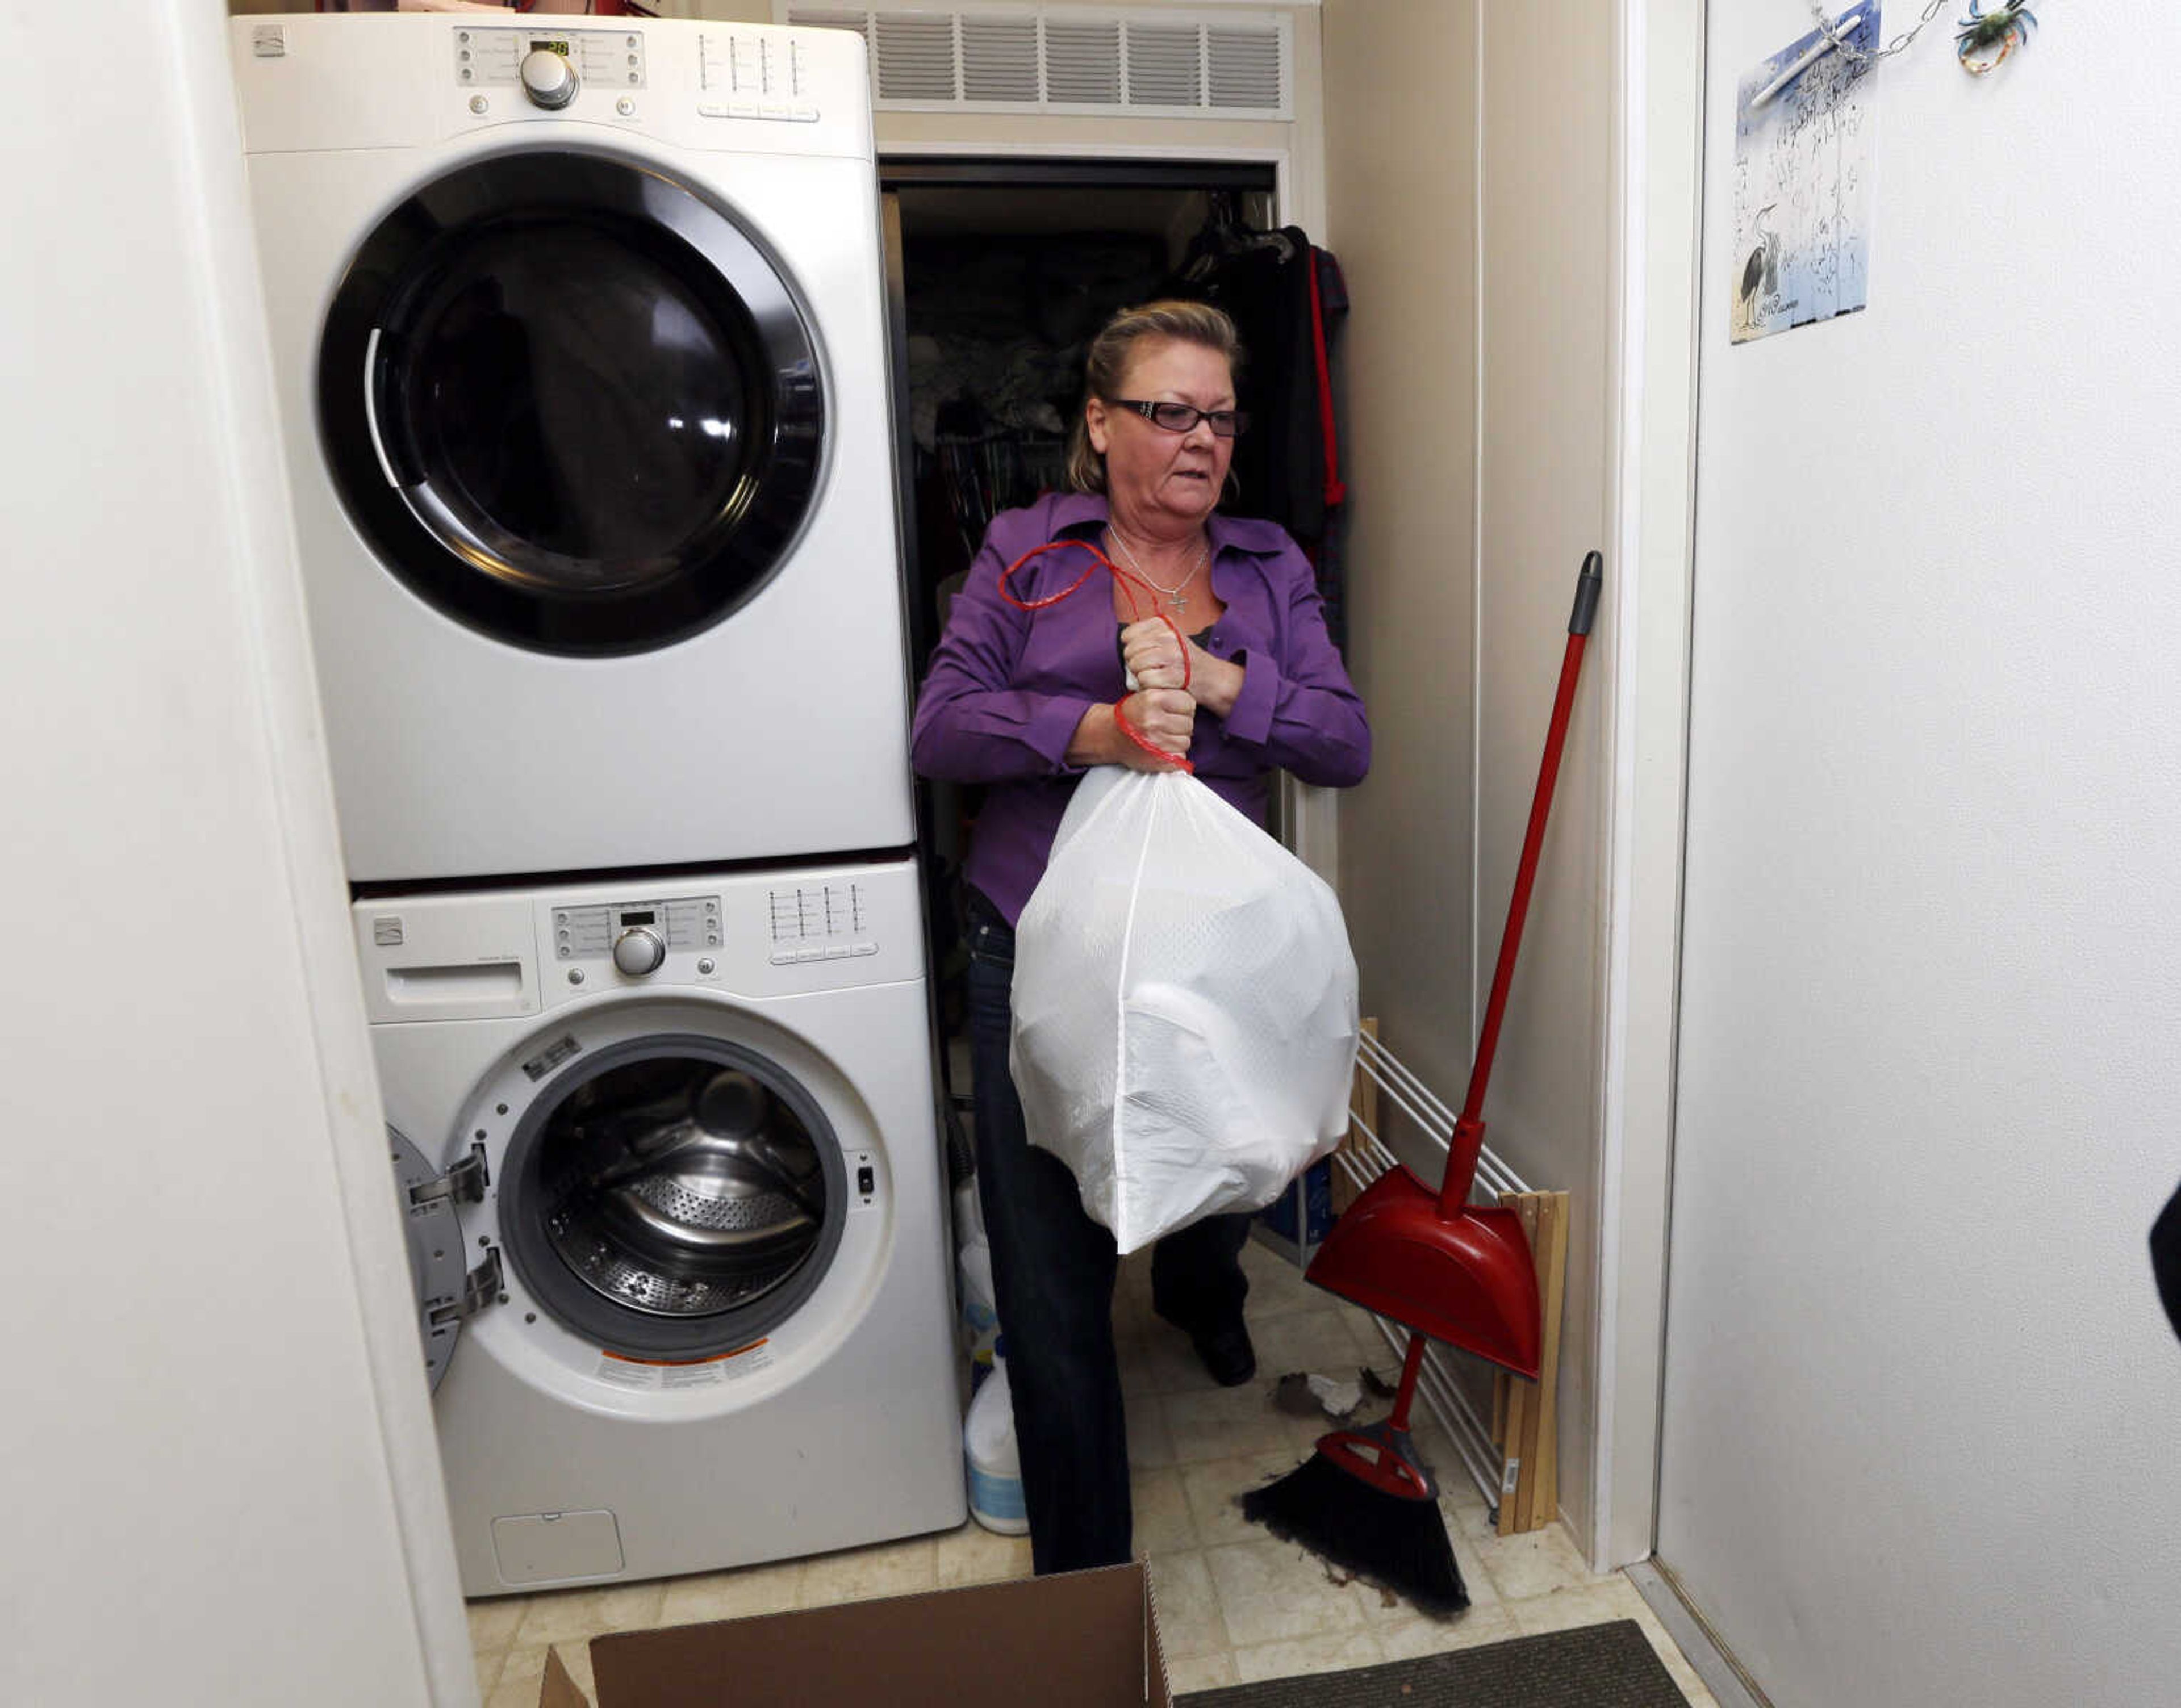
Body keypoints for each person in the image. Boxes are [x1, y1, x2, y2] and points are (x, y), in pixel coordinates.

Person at [910, 299, 1371, 1573]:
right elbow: (941, 727)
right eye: (1168, 411)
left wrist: (1223, 681)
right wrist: (1094, 729)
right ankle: (1087, 1579)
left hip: (1211, 957)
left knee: (1230, 1163)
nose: (1201, 437)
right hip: (1036, 947)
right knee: (1050, 1267)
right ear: (1100, 425)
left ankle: (1201, 1290)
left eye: (1219, 415)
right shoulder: (1026, 552)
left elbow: (1344, 742)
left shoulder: (1271, 565)